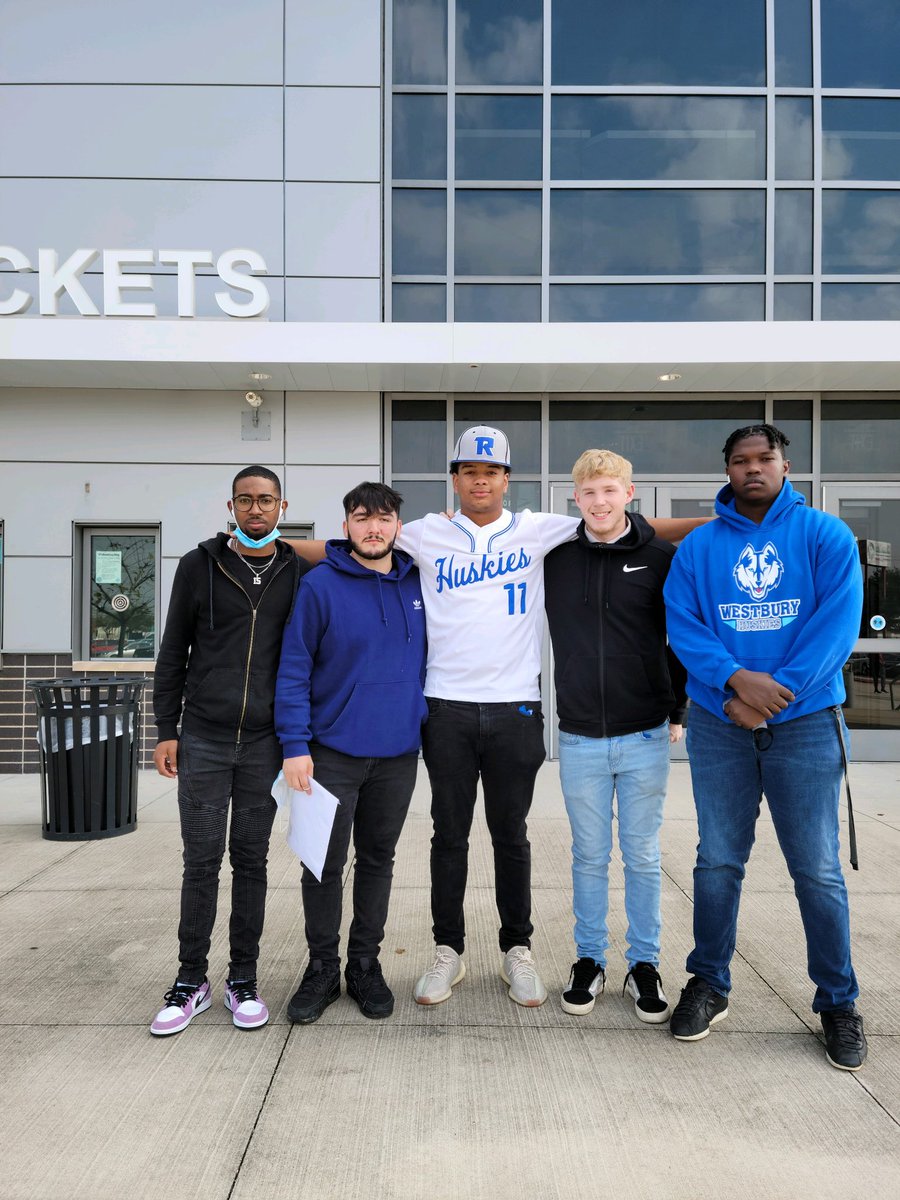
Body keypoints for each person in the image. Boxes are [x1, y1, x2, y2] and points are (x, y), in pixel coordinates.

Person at [389, 426, 703, 1009]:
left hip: (516, 709)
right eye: (468, 471)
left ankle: (518, 951)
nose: (480, 480)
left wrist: (732, 521)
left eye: (491, 472)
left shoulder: (542, 530)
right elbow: (362, 542)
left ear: (508, 479)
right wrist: (263, 543)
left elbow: (639, 530)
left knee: (512, 837)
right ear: (455, 478)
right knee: (448, 836)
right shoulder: (424, 534)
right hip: (446, 708)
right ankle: (448, 951)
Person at [663, 424, 867, 1071]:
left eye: (765, 459)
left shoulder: (824, 536)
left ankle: (838, 1001)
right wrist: (733, 686)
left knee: (817, 869)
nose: (754, 468)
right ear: (727, 468)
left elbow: (837, 625)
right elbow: (683, 627)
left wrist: (776, 691)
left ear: (784, 464)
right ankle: (710, 983)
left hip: (806, 722)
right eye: (741, 460)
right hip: (721, 722)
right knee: (717, 859)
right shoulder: (699, 549)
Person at [150, 466, 308, 1036]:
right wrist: (166, 727)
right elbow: (172, 651)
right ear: (232, 506)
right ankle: (191, 979)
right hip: (205, 737)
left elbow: (362, 543)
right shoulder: (199, 566)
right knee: (200, 860)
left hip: (266, 742)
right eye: (246, 500)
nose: (257, 510)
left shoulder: (296, 569)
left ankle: (244, 978)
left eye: (267, 500)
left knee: (251, 860)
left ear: (282, 505)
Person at [275, 483, 427, 1024]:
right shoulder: (320, 587)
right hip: (330, 753)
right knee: (322, 864)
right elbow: (293, 668)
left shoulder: (418, 582)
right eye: (362, 518)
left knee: (378, 861)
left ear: (397, 527)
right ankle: (322, 968)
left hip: (397, 754)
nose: (373, 528)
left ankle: (364, 964)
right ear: (346, 526)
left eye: (383, 518)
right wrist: (295, 745)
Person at [544, 449, 687, 1022]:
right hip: (579, 735)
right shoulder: (554, 558)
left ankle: (644, 963)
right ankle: (589, 960)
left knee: (644, 855)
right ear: (575, 500)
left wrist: (679, 710)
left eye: (609, 491)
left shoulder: (660, 557)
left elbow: (679, 635)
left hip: (646, 732)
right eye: (588, 493)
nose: (599, 502)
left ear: (630, 493)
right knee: (588, 855)